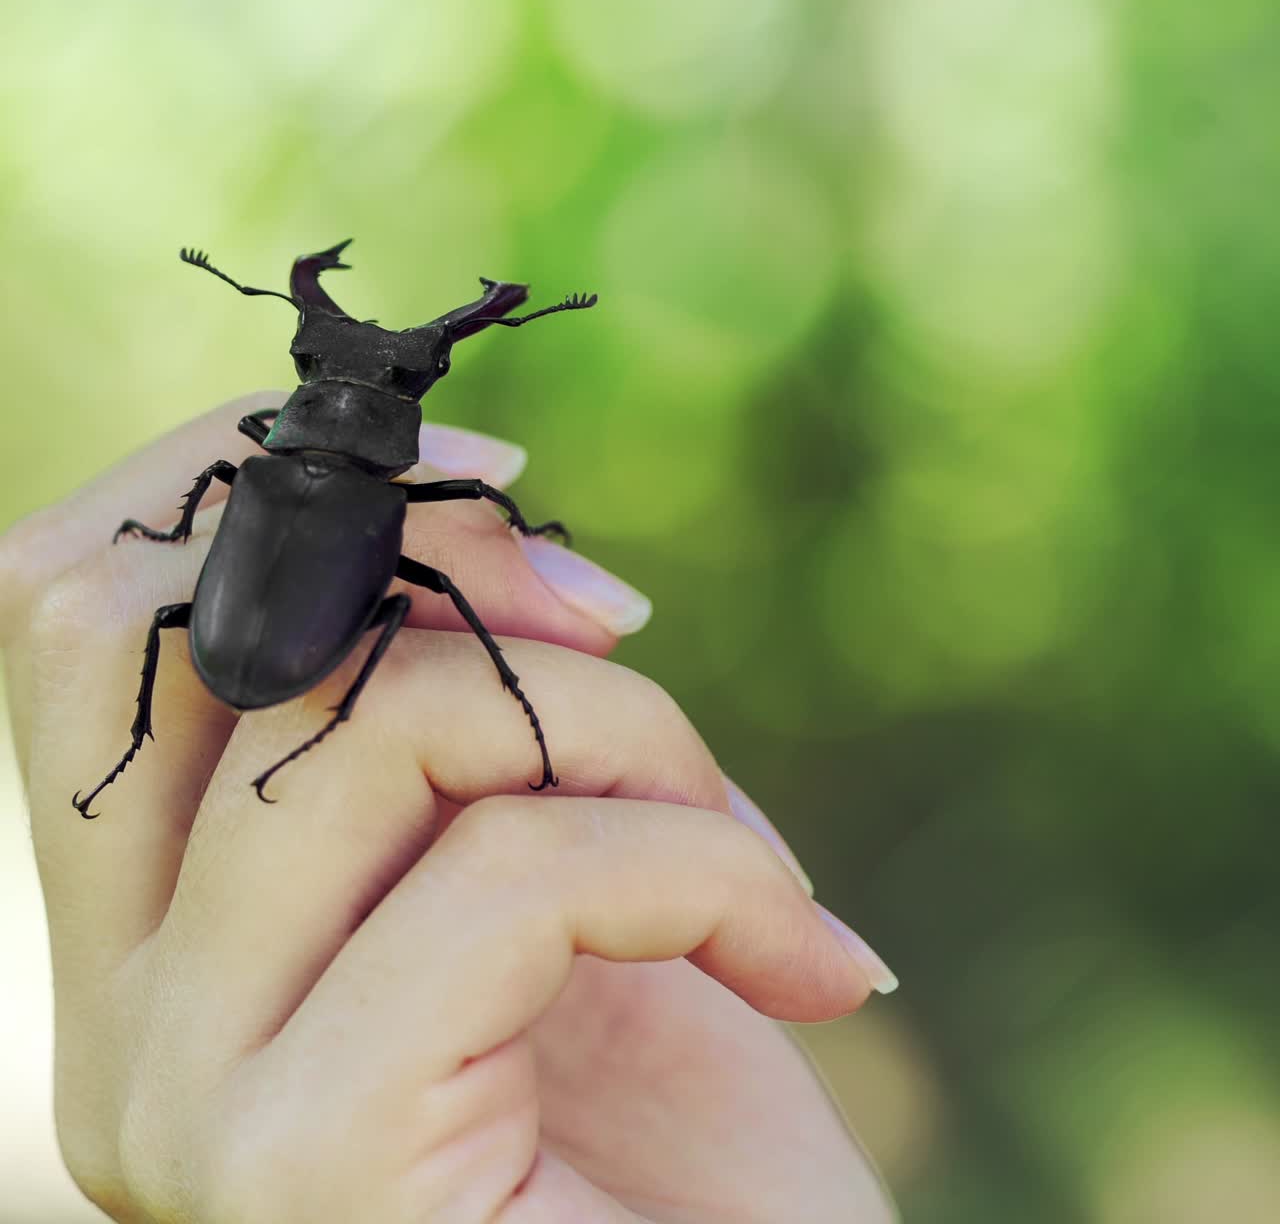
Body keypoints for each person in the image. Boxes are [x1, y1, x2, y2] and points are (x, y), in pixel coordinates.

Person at [0, 395, 898, 1222]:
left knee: (230, 608)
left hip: (248, 640)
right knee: (422, 591)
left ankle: (204, 733)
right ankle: (228, 731)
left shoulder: (254, 471)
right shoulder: (314, 485)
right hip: (275, 649)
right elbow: (458, 549)